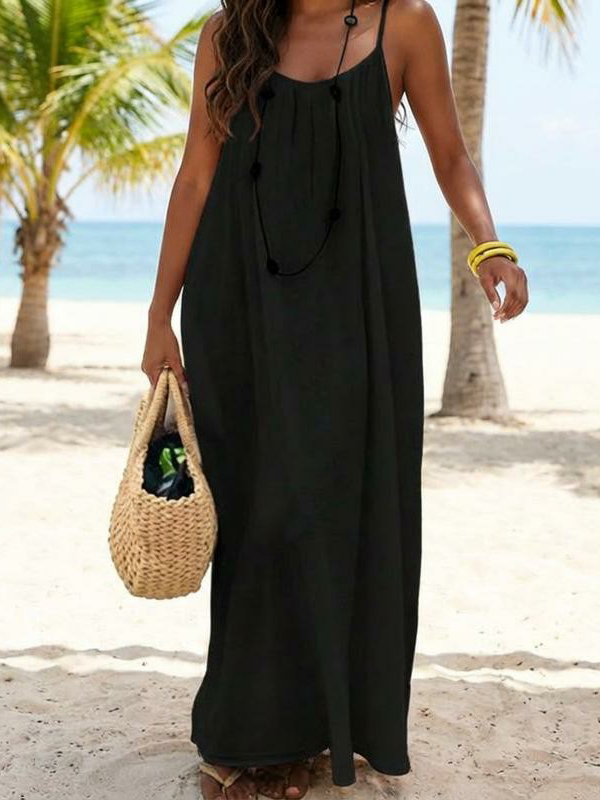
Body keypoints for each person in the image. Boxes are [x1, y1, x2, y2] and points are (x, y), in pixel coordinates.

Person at [141, 1, 529, 798]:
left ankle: (324, 729)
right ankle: (252, 735)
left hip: (359, 306)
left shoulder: (405, 23)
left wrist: (490, 245)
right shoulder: (228, 33)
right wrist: (158, 314)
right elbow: (197, 174)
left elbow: (450, 155)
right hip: (236, 300)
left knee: (339, 505)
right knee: (255, 512)